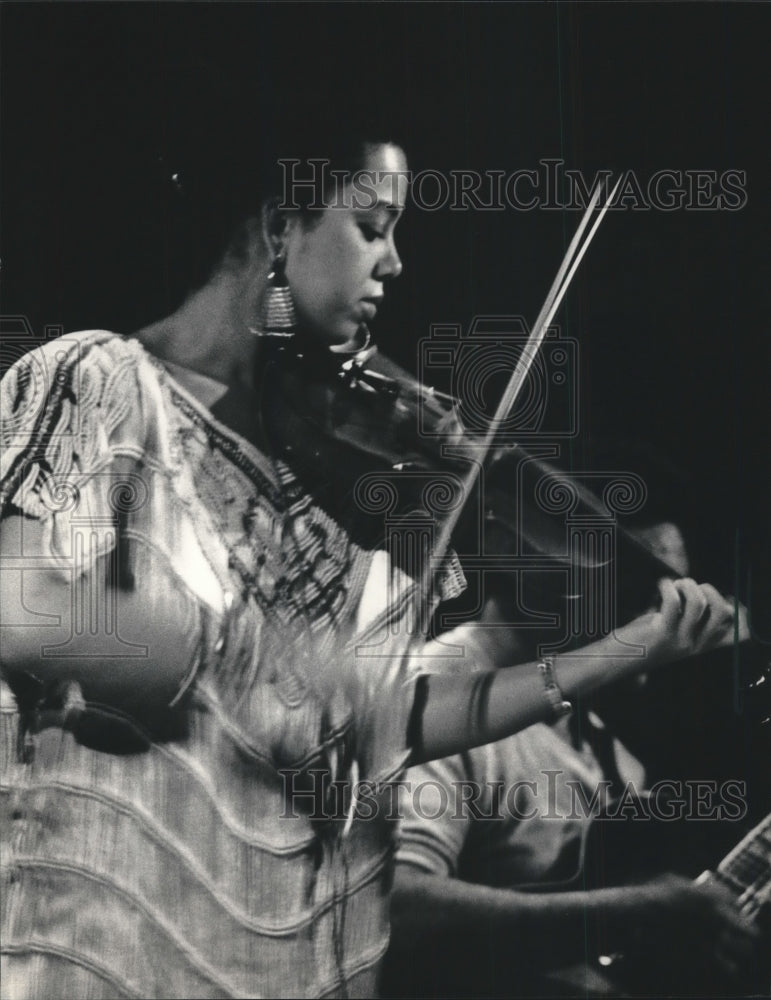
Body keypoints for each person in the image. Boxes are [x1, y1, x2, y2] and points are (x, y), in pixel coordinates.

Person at [0, 102, 747, 999]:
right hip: (107, 955)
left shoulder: (339, 497)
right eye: (371, 228)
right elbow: (27, 606)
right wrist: (256, 665)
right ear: (283, 227)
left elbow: (395, 719)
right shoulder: (105, 383)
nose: (394, 262)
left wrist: (623, 649)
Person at [385, 526, 764, 998]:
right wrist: (628, 914)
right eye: (644, 586)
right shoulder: (426, 698)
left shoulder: (608, 751)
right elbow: (391, 909)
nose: (662, 616)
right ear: (536, 560)